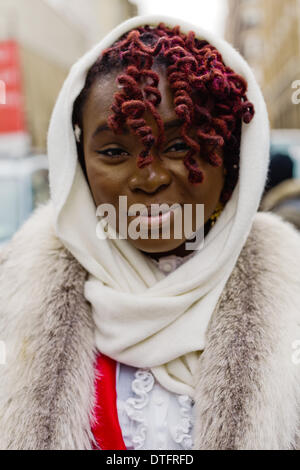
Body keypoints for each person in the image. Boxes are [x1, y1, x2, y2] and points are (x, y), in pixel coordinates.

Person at [0, 15, 300, 451]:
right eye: (115, 151)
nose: (149, 178)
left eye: (180, 146)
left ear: (232, 154)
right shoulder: (13, 293)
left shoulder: (293, 291)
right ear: (80, 161)